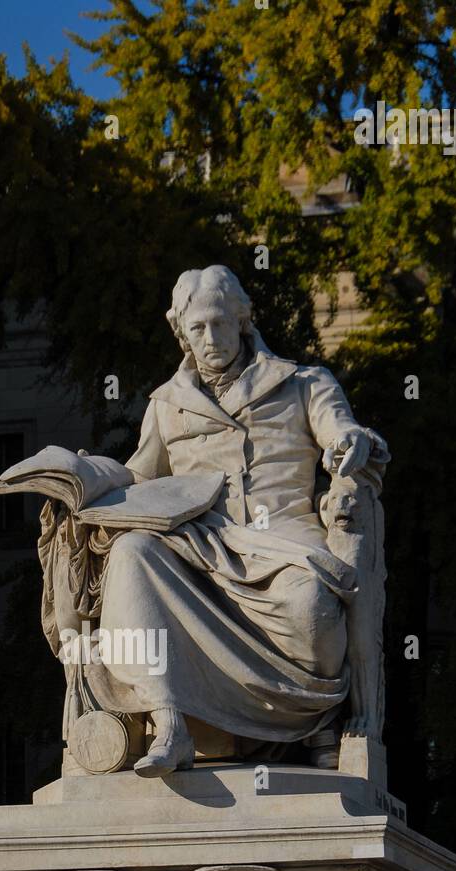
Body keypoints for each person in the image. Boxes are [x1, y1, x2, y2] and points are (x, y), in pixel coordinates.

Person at [85, 265, 388, 776]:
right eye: (197, 328)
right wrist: (83, 479)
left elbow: (345, 432)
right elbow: (137, 478)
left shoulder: (304, 383)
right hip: (202, 554)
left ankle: (315, 722)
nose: (210, 339)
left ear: (243, 320)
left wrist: (351, 444)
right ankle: (170, 724)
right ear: (180, 331)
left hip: (285, 548)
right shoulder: (166, 405)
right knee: (131, 552)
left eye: (220, 324)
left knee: (311, 609)